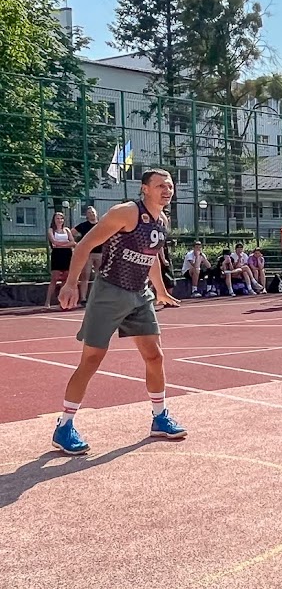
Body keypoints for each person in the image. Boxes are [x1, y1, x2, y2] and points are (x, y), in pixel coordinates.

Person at [52, 168, 186, 455]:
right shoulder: (125, 212)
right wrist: (71, 284)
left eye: (170, 185)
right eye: (160, 185)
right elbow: (86, 244)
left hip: (140, 294)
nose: (167, 190)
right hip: (110, 291)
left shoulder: (162, 220)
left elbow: (150, 259)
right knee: (91, 359)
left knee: (155, 355)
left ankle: (160, 417)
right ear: (144, 189)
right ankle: (64, 426)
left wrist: (160, 291)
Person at [45, 211, 76, 308]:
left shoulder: (67, 230)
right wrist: (65, 243)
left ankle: (62, 301)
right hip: (57, 255)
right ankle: (47, 301)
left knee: (65, 279)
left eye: (61, 218)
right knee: (54, 278)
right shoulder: (51, 230)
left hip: (67, 255)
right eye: (57, 218)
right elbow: (53, 242)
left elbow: (73, 243)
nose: (59, 220)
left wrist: (61, 244)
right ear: (54, 220)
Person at [72, 206, 102, 304]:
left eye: (93, 212)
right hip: (88, 253)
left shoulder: (101, 225)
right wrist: (77, 243)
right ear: (86, 215)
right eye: (89, 213)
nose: (91, 214)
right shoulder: (83, 226)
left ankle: (98, 297)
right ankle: (83, 298)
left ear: (96, 213)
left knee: (101, 276)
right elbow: (71, 233)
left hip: (100, 253)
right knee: (85, 276)